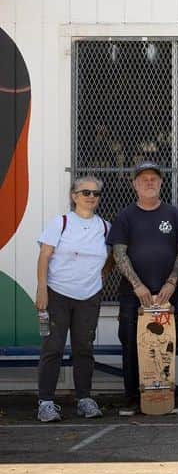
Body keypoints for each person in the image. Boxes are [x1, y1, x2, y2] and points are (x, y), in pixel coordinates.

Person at [107, 161, 178, 416]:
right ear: (134, 184)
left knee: (167, 344)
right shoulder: (125, 216)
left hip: (167, 293)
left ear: (161, 182)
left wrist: (172, 281)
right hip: (134, 296)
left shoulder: (173, 214)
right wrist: (138, 285)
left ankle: (163, 397)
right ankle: (133, 399)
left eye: (154, 178)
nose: (149, 182)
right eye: (143, 179)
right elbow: (119, 253)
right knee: (133, 344)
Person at [35, 176, 110, 422]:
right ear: (74, 196)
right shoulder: (62, 222)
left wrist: (100, 277)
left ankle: (84, 399)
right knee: (52, 348)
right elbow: (45, 256)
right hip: (57, 294)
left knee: (84, 348)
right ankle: (45, 402)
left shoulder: (105, 227)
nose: (91, 197)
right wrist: (42, 289)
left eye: (96, 193)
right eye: (85, 192)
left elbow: (112, 257)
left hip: (88, 297)